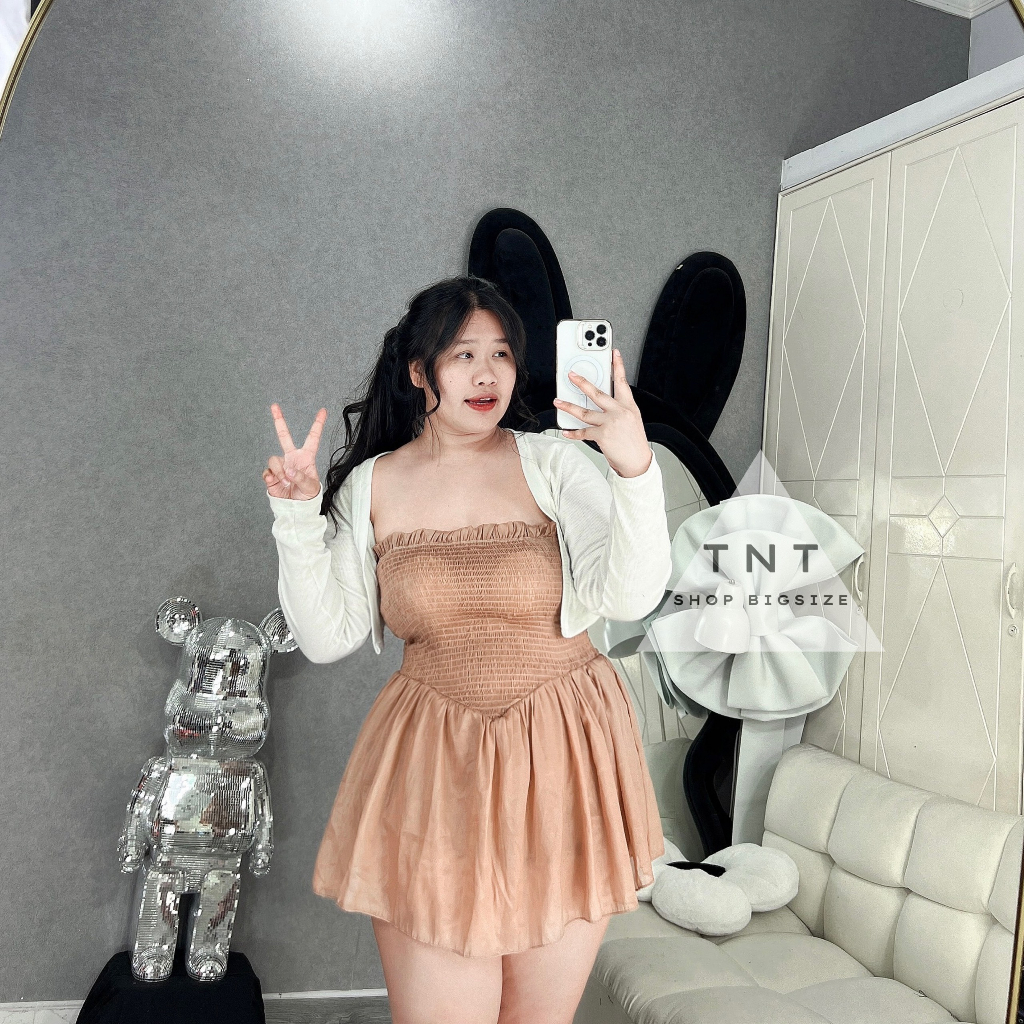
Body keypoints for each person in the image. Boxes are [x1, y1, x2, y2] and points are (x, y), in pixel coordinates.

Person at [263, 276, 672, 1024]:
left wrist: (633, 467)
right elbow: (327, 638)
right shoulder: (373, 486)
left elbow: (631, 596)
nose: (487, 375)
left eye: (502, 354)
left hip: (566, 755)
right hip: (436, 763)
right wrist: (295, 519)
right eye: (463, 355)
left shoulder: (553, 463)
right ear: (419, 371)